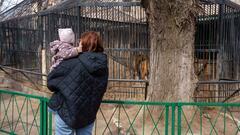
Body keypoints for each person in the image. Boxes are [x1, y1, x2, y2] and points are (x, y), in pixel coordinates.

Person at [47, 31, 108, 135]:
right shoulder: (103, 66)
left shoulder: (72, 61)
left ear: (83, 44)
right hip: (88, 113)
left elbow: (51, 81)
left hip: (66, 112)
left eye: (80, 42)